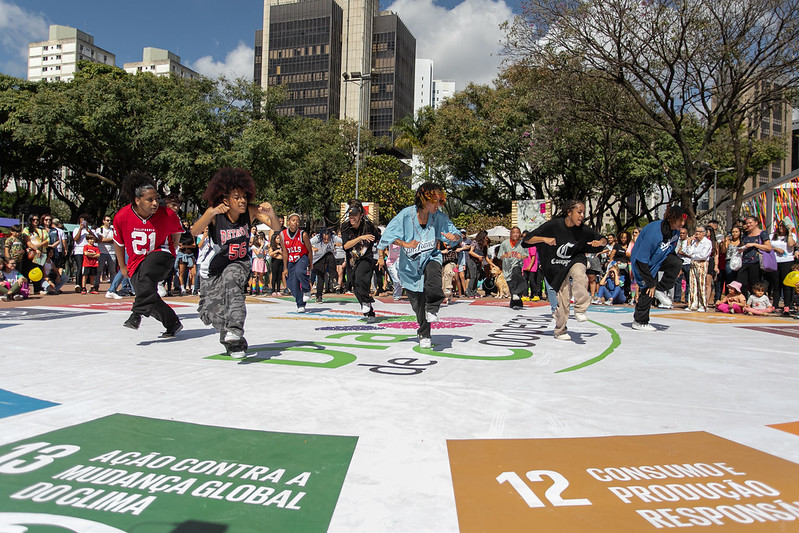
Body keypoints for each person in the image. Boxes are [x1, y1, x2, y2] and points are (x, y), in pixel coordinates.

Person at [192, 167, 280, 358]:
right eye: (236, 197)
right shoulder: (215, 215)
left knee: (233, 283)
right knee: (212, 314)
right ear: (226, 200)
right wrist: (211, 213)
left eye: (244, 196)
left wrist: (272, 213)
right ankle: (234, 340)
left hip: (239, 262)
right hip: (215, 267)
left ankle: (235, 330)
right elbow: (194, 231)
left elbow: (276, 226)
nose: (242, 201)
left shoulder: (249, 211)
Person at [378, 182, 461, 348]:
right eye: (436, 201)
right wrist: (404, 244)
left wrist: (455, 237)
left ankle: (432, 311)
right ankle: (423, 329)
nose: (439, 205)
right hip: (409, 266)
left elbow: (455, 233)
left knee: (433, 273)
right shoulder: (405, 216)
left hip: (431, 257)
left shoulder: (438, 217)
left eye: (440, 202)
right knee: (418, 305)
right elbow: (388, 236)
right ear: (425, 200)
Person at [522, 200, 607, 340]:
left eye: (583, 213)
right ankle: (560, 330)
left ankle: (580, 309)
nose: (581, 216)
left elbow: (603, 239)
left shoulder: (583, 230)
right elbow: (527, 239)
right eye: (579, 212)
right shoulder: (554, 225)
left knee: (580, 274)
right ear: (569, 212)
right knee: (563, 300)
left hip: (575, 260)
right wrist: (544, 239)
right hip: (557, 267)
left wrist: (600, 242)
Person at [113, 173, 184, 338]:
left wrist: (172, 250)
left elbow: (176, 234)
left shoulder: (167, 214)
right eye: (149, 200)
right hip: (136, 262)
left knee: (147, 273)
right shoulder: (122, 216)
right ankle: (172, 323)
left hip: (162, 254)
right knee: (147, 295)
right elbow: (119, 242)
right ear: (137, 200)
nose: (155, 203)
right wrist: (122, 266)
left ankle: (136, 314)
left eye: (156, 199)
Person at [629, 205, 688, 330]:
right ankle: (640, 321)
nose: (682, 223)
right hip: (642, 262)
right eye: (680, 220)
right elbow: (641, 260)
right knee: (648, 287)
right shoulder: (653, 232)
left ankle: (660, 289)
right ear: (671, 218)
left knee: (676, 263)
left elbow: (670, 250)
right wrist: (651, 282)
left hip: (658, 258)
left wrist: (674, 266)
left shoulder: (675, 231)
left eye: (684, 220)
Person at [341, 201, 381, 321]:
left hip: (366, 258)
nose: (352, 218)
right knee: (355, 285)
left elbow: (380, 241)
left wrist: (381, 257)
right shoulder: (346, 227)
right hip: (352, 260)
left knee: (360, 278)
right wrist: (360, 238)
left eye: (354, 215)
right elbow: (346, 246)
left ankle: (367, 302)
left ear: (361, 215)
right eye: (350, 215)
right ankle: (370, 312)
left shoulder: (368, 227)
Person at [280, 213, 313, 312]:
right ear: (289, 222)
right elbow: (285, 252)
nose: (295, 222)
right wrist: (285, 267)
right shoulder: (282, 234)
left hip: (302, 257)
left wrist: (311, 264)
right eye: (293, 220)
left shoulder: (303, 234)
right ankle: (300, 304)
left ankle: (307, 289)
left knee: (300, 272)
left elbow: (310, 250)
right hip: (290, 260)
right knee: (291, 285)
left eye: (298, 221)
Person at [493, 226, 527, 309]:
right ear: (510, 234)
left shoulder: (522, 243)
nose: (515, 234)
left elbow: (526, 255)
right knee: (511, 283)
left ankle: (515, 295)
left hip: (517, 264)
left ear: (520, 234)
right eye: (513, 232)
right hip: (507, 267)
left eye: (517, 233)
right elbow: (499, 256)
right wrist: (505, 255)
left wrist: (521, 256)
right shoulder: (505, 243)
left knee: (516, 275)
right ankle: (515, 303)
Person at [738, 216, 772, 297]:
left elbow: (768, 247)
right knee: (740, 283)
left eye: (750, 223)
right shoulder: (745, 234)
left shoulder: (762, 233)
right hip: (744, 261)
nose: (748, 225)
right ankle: (745, 300)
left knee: (755, 284)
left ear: (756, 223)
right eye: (747, 223)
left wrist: (754, 244)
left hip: (756, 262)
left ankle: (756, 302)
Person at [770, 217, 797, 314]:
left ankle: (787, 305)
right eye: (780, 225)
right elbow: (768, 246)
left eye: (783, 226)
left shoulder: (792, 235)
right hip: (775, 261)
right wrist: (775, 249)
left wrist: (789, 232)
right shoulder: (772, 236)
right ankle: (775, 304)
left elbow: (790, 244)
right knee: (776, 284)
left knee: (786, 284)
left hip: (787, 261)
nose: (781, 227)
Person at [685, 225, 713, 312]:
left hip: (701, 263)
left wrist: (693, 256)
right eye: (696, 231)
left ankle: (703, 305)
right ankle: (693, 304)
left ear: (704, 233)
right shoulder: (694, 242)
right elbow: (688, 252)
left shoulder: (707, 242)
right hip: (693, 263)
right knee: (693, 284)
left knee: (701, 284)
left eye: (699, 232)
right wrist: (689, 243)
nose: (697, 234)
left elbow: (703, 255)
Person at [310, 228, 337, 303]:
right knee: (320, 275)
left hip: (326, 255)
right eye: (324, 239)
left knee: (330, 256)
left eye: (328, 239)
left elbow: (342, 241)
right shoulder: (316, 238)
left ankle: (334, 279)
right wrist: (312, 248)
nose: (326, 241)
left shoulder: (334, 238)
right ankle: (319, 296)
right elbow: (306, 243)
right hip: (317, 258)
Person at [72, 214, 94, 293]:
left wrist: (89, 230)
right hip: (79, 251)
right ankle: (78, 285)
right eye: (81, 221)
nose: (83, 223)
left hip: (89, 251)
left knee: (87, 268)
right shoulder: (76, 229)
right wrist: (80, 230)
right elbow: (76, 239)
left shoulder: (89, 230)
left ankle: (86, 285)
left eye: (84, 221)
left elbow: (95, 238)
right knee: (80, 267)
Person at [94, 215, 116, 290]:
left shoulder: (113, 229)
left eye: (110, 220)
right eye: (107, 220)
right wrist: (110, 240)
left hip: (112, 252)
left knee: (112, 271)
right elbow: (100, 239)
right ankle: (96, 286)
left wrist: (105, 240)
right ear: (103, 221)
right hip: (101, 252)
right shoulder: (99, 230)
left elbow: (115, 240)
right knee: (99, 270)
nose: (109, 222)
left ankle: (113, 287)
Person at [674, 227, 692, 304]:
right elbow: (676, 251)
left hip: (687, 263)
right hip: (679, 262)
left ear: (686, 234)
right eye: (680, 233)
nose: (681, 235)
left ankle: (687, 299)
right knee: (677, 280)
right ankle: (677, 298)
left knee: (688, 281)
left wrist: (683, 252)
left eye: (683, 233)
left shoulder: (690, 241)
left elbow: (690, 253)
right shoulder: (678, 241)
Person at [269, 217, 285, 297]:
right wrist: (277, 251)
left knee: (279, 276)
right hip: (275, 261)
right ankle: (273, 290)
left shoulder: (282, 246)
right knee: (274, 276)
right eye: (278, 238)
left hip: (281, 261)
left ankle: (278, 290)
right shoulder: (273, 246)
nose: (279, 240)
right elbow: (270, 253)